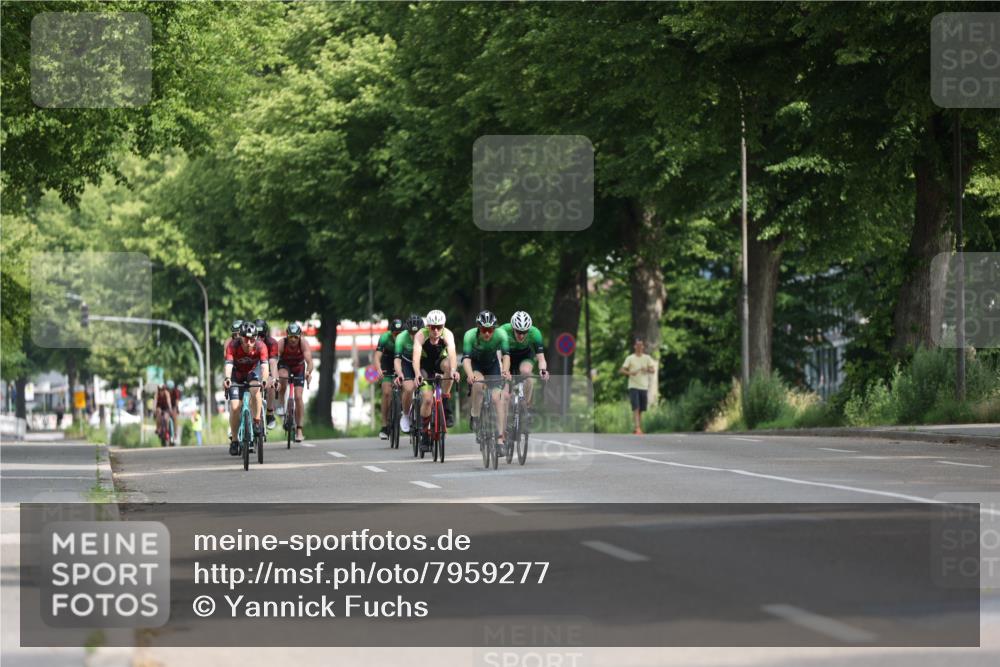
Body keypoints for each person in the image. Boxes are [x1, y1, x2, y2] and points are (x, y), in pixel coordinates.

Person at [412, 309, 461, 448]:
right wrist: (417, 374)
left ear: (443, 326)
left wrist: (453, 371)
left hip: (439, 362)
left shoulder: (448, 334)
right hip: (425, 367)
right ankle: (425, 432)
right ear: (428, 326)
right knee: (427, 400)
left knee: (449, 367)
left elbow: (452, 354)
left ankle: (445, 400)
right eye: (433, 327)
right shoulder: (421, 335)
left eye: (439, 327)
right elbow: (416, 357)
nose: (435, 330)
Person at [462, 310, 511, 448]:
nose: (487, 333)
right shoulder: (470, 336)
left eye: (490, 330)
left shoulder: (501, 335)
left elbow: (506, 356)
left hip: (492, 366)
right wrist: (470, 374)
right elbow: (466, 359)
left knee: (498, 399)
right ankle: (476, 416)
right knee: (477, 385)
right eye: (484, 330)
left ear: (494, 328)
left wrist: (505, 370)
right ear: (479, 328)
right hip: (476, 365)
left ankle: (500, 439)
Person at [223, 321, 270, 455]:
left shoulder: (261, 346)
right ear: (240, 337)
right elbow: (228, 365)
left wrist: (265, 380)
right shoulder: (233, 345)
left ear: (256, 338)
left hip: (252, 373)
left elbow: (265, 367)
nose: (249, 342)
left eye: (252, 339)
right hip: (236, 375)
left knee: (256, 390)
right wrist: (227, 379)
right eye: (245, 339)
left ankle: (256, 422)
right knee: (235, 406)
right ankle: (235, 440)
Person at [499, 310, 550, 408]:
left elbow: (541, 358)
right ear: (513, 328)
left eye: (524, 332)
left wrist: (543, 370)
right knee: (504, 395)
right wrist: (502, 369)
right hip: (507, 356)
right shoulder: (503, 330)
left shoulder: (535, 333)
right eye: (518, 332)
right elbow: (497, 354)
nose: (521, 335)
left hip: (525, 355)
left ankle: (526, 406)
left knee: (526, 372)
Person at [275, 322, 314, 443]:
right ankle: (281, 403)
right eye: (290, 337)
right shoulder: (281, 343)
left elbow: (309, 361)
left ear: (299, 336)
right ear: (287, 336)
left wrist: (308, 372)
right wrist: (273, 374)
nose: (293, 340)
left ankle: (299, 430)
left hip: (298, 368)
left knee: (298, 397)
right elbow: (274, 358)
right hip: (284, 366)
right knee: (283, 376)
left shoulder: (303, 343)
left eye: (295, 337)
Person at [392, 314, 424, 435]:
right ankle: (405, 415)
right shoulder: (401, 337)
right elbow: (397, 360)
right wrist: (399, 373)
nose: (414, 336)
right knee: (409, 388)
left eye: (416, 333)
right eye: (411, 333)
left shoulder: (426, 335)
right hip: (406, 363)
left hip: (422, 362)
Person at [374, 319, 404, 440]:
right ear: (391, 333)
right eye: (395, 334)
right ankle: (385, 425)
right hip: (387, 361)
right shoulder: (384, 338)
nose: (397, 336)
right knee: (386, 392)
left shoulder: (407, 338)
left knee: (407, 386)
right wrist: (379, 369)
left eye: (399, 333)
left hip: (401, 361)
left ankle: (402, 408)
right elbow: (377, 356)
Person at [620, 338, 656, 435]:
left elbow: (653, 370)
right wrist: (630, 372)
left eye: (641, 345)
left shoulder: (647, 358)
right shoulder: (630, 358)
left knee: (641, 409)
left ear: (643, 347)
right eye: (638, 345)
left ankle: (637, 427)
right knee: (636, 407)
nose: (639, 347)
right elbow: (622, 370)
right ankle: (637, 428)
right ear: (635, 346)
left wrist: (647, 369)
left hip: (644, 386)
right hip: (633, 386)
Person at [255, 318, 280, 430]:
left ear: (266, 334)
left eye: (262, 335)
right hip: (254, 367)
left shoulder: (272, 343)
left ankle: (269, 413)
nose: (259, 338)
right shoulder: (248, 342)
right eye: (257, 335)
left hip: (267, 367)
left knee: (271, 384)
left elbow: (273, 363)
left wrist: (275, 379)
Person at [167, 380, 182, 445]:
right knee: (165, 417)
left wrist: (176, 409)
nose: (170, 390)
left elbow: (177, 401)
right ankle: (166, 432)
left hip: (174, 406)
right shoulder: (165, 391)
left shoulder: (176, 391)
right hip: (166, 406)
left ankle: (175, 433)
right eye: (168, 389)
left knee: (175, 417)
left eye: (171, 389)